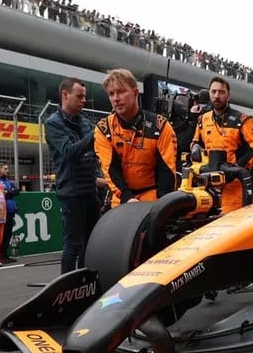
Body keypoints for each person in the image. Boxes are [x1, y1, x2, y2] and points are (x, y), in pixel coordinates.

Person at [93, 69, 178, 207]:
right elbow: (110, 169)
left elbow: (167, 171)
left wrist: (163, 207)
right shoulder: (103, 129)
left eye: (121, 92)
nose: (116, 98)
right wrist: (127, 199)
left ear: (135, 92)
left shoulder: (160, 126)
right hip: (121, 199)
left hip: (153, 197)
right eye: (111, 94)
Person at [45, 77, 104, 274]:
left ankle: (85, 283)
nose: (83, 100)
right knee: (73, 245)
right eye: (79, 96)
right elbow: (69, 152)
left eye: (84, 97)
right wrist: (94, 136)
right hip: (71, 193)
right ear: (65, 95)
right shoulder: (53, 124)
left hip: (90, 190)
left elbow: (94, 154)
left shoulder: (86, 122)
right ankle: (67, 288)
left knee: (91, 242)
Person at [189, 76, 253, 213]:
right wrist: (195, 149)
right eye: (213, 92)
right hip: (207, 186)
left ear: (228, 95)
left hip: (234, 186)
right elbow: (196, 142)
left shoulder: (242, 120)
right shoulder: (203, 119)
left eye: (221, 92)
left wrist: (236, 168)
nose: (217, 96)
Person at [0, 163, 20, 262]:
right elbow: (0, 193)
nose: (7, 170)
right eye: (5, 169)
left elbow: (17, 191)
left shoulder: (9, 181)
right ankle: (0, 255)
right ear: (0, 169)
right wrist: (9, 192)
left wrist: (8, 192)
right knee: (2, 234)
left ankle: (4, 254)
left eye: (7, 169)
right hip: (2, 211)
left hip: (11, 210)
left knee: (8, 234)